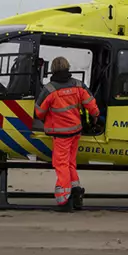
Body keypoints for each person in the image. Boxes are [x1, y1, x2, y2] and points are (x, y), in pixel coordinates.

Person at [35, 56, 100, 212]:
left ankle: (64, 199)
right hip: (76, 131)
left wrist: (47, 119)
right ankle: (76, 191)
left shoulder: (50, 89)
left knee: (61, 164)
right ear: (68, 67)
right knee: (71, 163)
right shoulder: (78, 85)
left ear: (53, 69)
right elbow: (91, 104)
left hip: (61, 134)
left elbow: (39, 112)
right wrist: (96, 116)